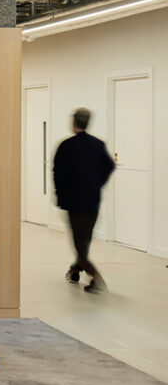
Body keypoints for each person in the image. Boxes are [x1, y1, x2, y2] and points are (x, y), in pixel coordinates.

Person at [53, 108, 115, 294]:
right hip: (92, 199)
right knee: (85, 238)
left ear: (74, 123)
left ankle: (96, 277)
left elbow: (59, 174)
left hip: (74, 201)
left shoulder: (66, 146)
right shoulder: (98, 145)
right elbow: (109, 166)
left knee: (79, 241)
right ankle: (75, 269)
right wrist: (97, 184)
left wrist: (60, 194)